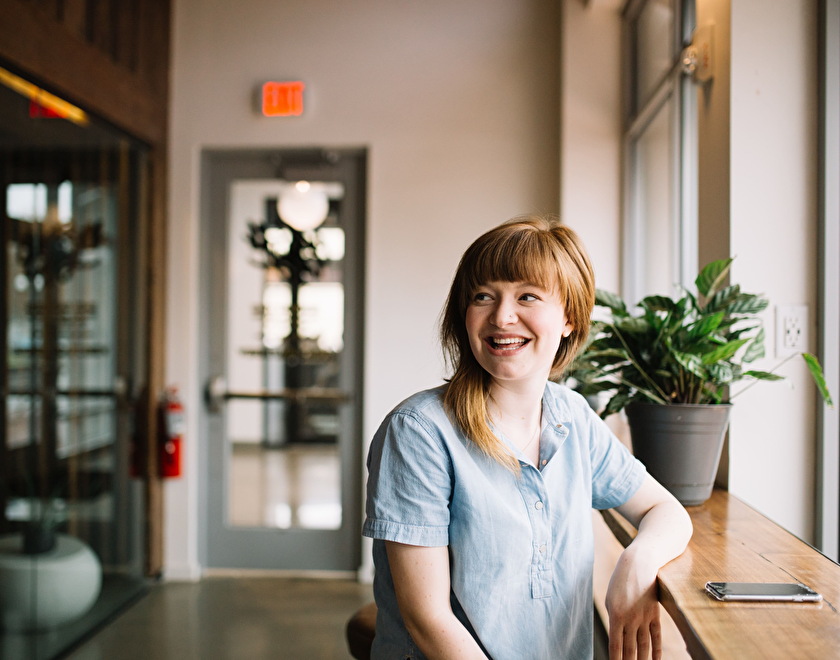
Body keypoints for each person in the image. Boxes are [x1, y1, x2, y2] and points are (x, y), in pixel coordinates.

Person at [363, 215, 693, 659]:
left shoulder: (571, 415)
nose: (502, 317)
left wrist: (637, 561)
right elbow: (428, 621)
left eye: (527, 296)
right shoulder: (418, 431)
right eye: (483, 296)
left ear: (569, 319)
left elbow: (665, 510)